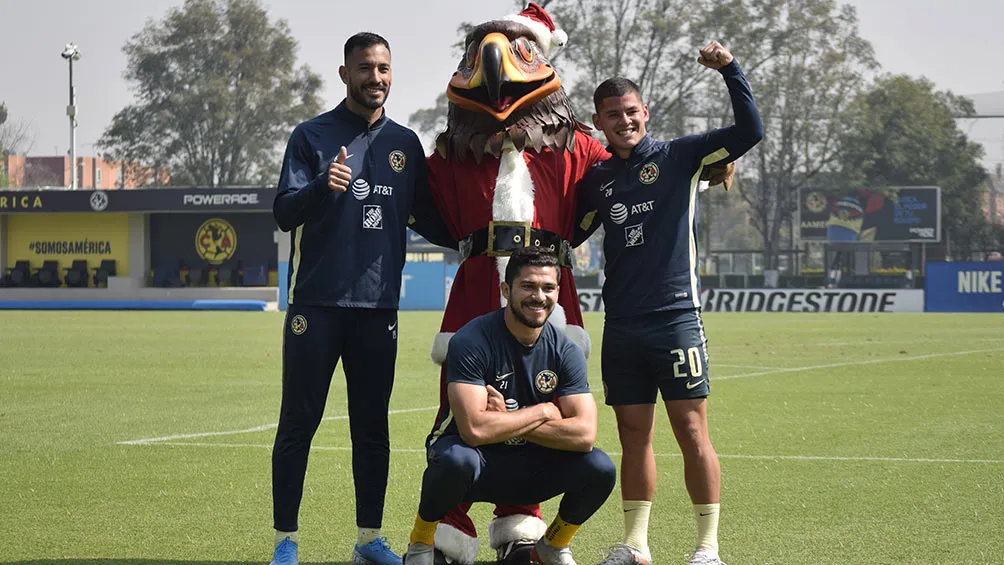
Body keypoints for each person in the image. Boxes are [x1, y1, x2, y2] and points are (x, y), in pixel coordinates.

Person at [270, 32, 455, 565]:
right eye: (365, 68)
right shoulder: (311, 136)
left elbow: (428, 217)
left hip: (378, 311)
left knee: (372, 428)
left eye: (384, 68)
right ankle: (286, 541)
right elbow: (283, 212)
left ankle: (368, 540)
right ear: (344, 73)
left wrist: (476, 240)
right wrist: (320, 186)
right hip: (317, 305)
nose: (376, 77)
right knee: (298, 423)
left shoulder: (405, 145)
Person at [576, 41, 763, 565]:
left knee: (691, 430)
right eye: (613, 115)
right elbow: (567, 233)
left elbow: (750, 132)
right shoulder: (598, 179)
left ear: (645, 112)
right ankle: (636, 545)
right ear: (599, 122)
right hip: (622, 326)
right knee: (632, 435)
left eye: (631, 112)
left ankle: (707, 547)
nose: (624, 121)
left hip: (677, 318)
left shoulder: (681, 156)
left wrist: (730, 68)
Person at [402, 246, 617, 565]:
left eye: (547, 288)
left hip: (531, 465)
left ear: (558, 291)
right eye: (528, 286)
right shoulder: (471, 340)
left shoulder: (565, 350)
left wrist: (510, 420)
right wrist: (543, 412)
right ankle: (421, 543)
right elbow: (474, 430)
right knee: (454, 462)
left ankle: (553, 545)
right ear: (506, 289)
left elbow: (584, 434)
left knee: (599, 468)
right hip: (476, 464)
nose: (538, 296)